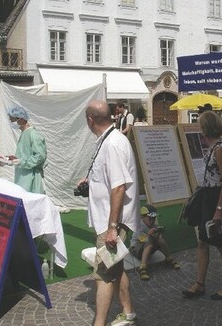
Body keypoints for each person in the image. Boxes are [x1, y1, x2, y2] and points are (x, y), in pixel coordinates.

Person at [81, 100, 140, 326]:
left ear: (90, 120)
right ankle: (128, 312)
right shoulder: (107, 139)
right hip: (108, 220)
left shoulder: (113, 143)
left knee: (104, 274)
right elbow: (109, 177)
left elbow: (118, 187)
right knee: (116, 268)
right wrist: (90, 180)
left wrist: (113, 228)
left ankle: (99, 323)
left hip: (112, 223)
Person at [182, 110, 222, 301]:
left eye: (200, 125)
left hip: (217, 198)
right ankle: (200, 283)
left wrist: (219, 209)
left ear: (206, 128)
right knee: (203, 241)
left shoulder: (220, 148)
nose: (198, 128)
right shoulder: (213, 146)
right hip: (208, 196)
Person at [0, 106, 47, 194]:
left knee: (30, 202)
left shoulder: (33, 135)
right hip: (22, 176)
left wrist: (22, 162)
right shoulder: (25, 134)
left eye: (12, 120)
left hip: (31, 177)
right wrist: (11, 160)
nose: (11, 122)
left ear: (21, 119)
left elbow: (40, 156)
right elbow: (25, 154)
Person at [130, 204, 180, 281]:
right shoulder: (139, 226)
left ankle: (169, 258)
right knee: (149, 243)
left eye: (154, 218)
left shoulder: (154, 225)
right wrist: (150, 234)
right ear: (143, 217)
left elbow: (156, 240)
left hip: (147, 248)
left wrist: (158, 233)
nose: (152, 220)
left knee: (160, 240)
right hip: (136, 249)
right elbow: (144, 240)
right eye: (150, 218)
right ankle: (142, 267)